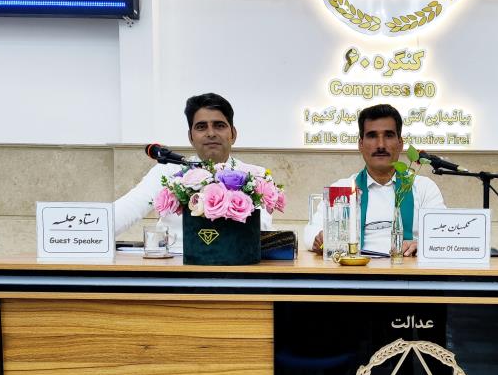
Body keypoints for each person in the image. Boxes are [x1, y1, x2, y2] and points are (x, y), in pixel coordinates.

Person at [115, 93, 272, 249]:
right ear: (191, 137)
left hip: (235, 260)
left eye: (219, 125)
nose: (211, 133)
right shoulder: (168, 171)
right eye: (201, 127)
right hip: (174, 261)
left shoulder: (256, 175)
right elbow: (128, 209)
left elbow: (261, 229)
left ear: (233, 134)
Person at [303, 104, 445, 256]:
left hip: (409, 268)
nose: (381, 145)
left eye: (388, 135)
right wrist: (319, 238)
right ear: (361, 144)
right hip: (356, 269)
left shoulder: (424, 187)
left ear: (400, 144)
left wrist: (421, 244)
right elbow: (310, 232)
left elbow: (443, 234)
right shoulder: (342, 188)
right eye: (372, 136)